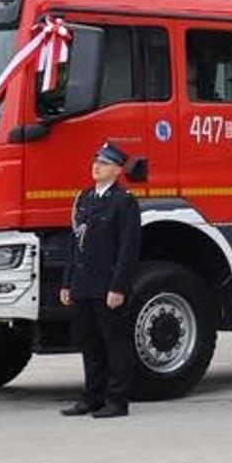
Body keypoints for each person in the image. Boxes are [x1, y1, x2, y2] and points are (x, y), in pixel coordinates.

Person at [59, 142, 141, 419]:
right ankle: (91, 397)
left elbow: (128, 248)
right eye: (96, 161)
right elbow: (75, 243)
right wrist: (67, 282)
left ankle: (117, 401)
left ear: (117, 170)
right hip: (83, 284)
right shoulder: (84, 198)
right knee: (90, 343)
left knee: (115, 343)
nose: (97, 167)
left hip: (108, 286)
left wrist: (118, 286)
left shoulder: (123, 201)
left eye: (104, 163)